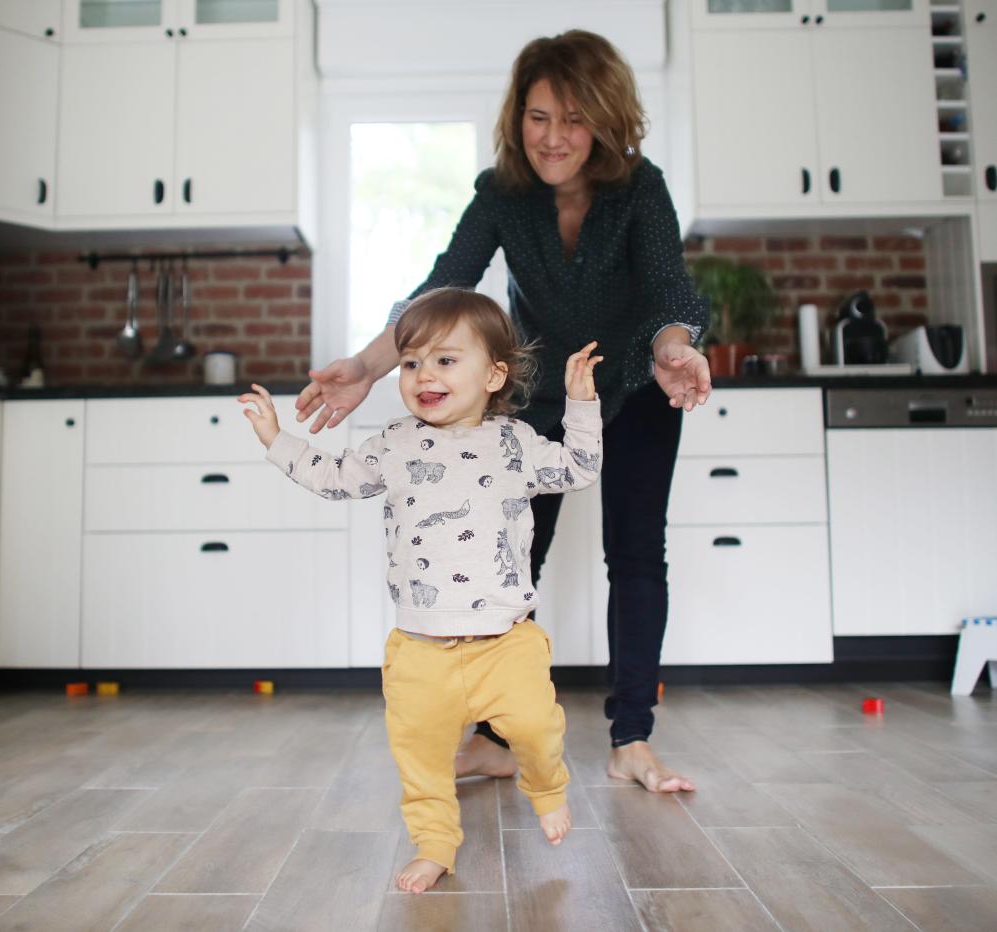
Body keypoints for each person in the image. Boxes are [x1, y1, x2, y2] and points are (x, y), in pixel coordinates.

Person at [295, 30, 709, 794]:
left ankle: (631, 739)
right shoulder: (502, 196)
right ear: (518, 116)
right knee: (507, 557)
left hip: (639, 388)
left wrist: (674, 349)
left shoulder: (639, 188)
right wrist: (363, 366)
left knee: (637, 554)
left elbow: (667, 288)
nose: (554, 138)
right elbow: (440, 287)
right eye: (540, 115)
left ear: (607, 120)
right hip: (542, 396)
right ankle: (492, 737)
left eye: (576, 119)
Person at [239, 288, 603, 893]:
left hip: (505, 643)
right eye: (410, 363)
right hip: (420, 649)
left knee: (538, 730)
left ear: (493, 375)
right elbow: (335, 479)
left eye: (444, 361)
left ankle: (547, 788)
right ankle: (435, 845)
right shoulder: (395, 443)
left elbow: (579, 469)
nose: (422, 375)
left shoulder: (514, 443)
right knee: (422, 760)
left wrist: (579, 403)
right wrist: (279, 440)